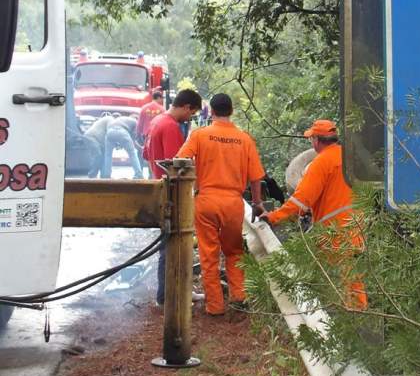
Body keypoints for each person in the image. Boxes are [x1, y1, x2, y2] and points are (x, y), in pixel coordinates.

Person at [259, 119, 367, 310]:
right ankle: (360, 318)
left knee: (332, 282)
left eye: (311, 139)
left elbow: (301, 200)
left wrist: (274, 216)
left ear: (317, 140)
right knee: (353, 280)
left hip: (333, 233)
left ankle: (340, 320)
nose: (311, 142)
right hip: (355, 227)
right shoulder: (350, 158)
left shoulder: (321, 162)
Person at [176, 93, 265, 316]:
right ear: (231, 111)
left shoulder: (200, 135)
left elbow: (180, 161)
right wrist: (257, 203)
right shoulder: (245, 139)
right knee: (234, 252)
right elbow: (256, 178)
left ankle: (214, 306)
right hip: (233, 204)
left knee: (209, 255)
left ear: (212, 112)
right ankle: (239, 298)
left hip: (206, 201)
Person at [143, 88, 203, 306]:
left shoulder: (157, 121)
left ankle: (175, 292)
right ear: (186, 107)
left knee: (170, 244)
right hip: (172, 193)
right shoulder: (170, 127)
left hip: (159, 188)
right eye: (192, 113)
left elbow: (146, 154)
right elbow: (177, 166)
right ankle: (169, 296)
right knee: (173, 246)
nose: (190, 118)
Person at [136, 90, 165, 175]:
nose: (162, 100)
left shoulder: (144, 108)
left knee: (143, 154)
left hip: (146, 136)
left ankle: (139, 173)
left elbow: (140, 123)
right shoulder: (162, 109)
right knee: (154, 155)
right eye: (162, 98)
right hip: (157, 135)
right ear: (158, 98)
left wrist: (138, 134)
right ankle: (152, 174)